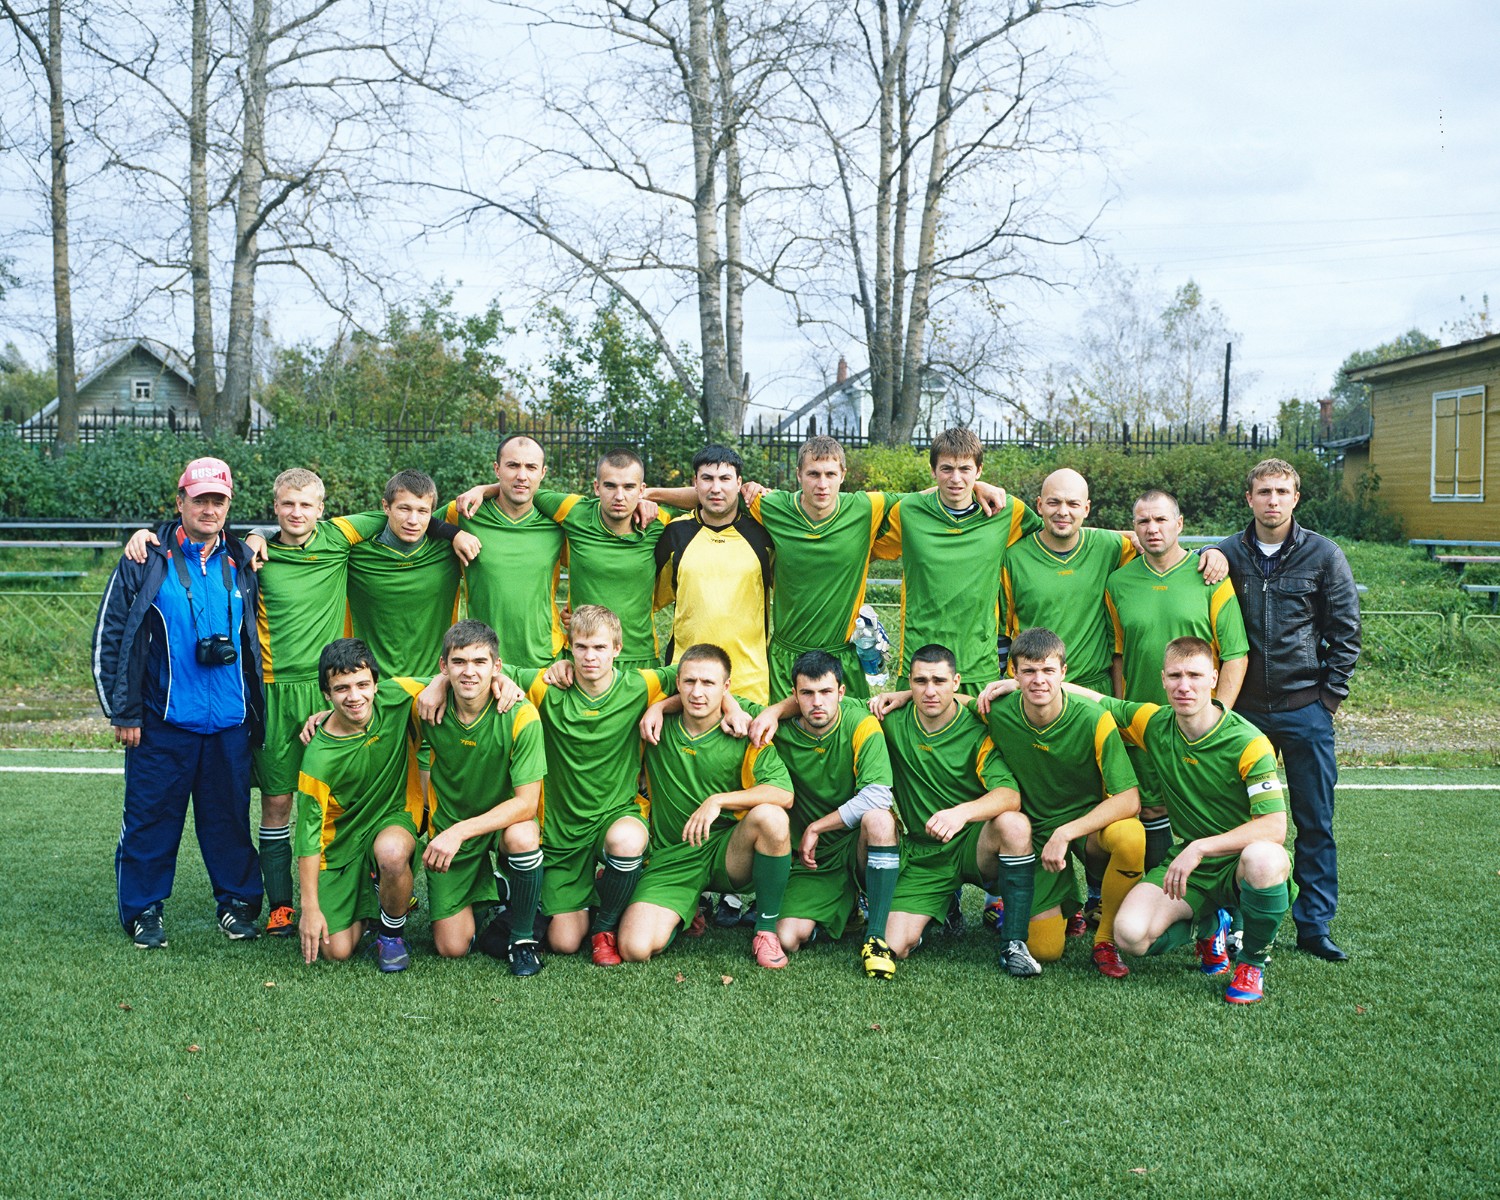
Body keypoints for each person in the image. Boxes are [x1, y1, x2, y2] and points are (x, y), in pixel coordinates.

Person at [121, 469, 477, 937]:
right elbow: (193, 541)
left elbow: (411, 514)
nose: (297, 513)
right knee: (277, 801)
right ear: (274, 507)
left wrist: (455, 530)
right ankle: (282, 905)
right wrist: (154, 534)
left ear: (322, 508)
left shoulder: (340, 536)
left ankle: (371, 890)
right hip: (271, 691)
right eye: (288, 505)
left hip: (331, 689)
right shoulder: (246, 555)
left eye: (307, 505)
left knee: (352, 793)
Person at [422, 605, 676, 966]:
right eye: (582, 647)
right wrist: (438, 682)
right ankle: (558, 892)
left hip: (614, 815)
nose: (590, 656)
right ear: (568, 648)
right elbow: (477, 670)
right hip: (561, 832)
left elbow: (699, 676)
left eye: (600, 648)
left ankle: (604, 925)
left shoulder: (640, 685)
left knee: (628, 841)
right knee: (564, 942)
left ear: (617, 649)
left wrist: (663, 706)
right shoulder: (546, 684)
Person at [93, 456, 267, 949]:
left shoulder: (242, 559)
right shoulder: (146, 559)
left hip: (228, 723)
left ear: (229, 505)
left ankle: (236, 905)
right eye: (200, 499)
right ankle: (143, 911)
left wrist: (259, 536)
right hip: (161, 722)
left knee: (230, 822)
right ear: (180, 502)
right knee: (151, 820)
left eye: (219, 500)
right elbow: (110, 638)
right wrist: (123, 711)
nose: (209, 509)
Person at [1076, 637, 1294, 1005]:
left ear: (1213, 677)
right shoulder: (1156, 724)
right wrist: (1024, 682)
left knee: (1266, 859)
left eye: (1194, 675)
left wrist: (1200, 847)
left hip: (1236, 863)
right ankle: (1209, 925)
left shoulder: (1250, 742)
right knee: (1129, 936)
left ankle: (1250, 963)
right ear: (1163, 679)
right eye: (1175, 675)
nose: (1184, 685)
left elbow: (1274, 827)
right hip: (1192, 867)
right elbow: (1098, 701)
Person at [1217, 459, 1361, 962]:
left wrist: (1328, 700)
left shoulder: (1323, 555)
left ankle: (1314, 926)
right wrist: (1209, 553)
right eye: (1263, 491)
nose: (1272, 500)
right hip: (1245, 714)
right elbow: (1163, 544)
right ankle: (1231, 921)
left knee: (1314, 819)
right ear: (1249, 498)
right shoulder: (1225, 554)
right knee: (1236, 818)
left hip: (1305, 710)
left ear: (1295, 498)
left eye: (1282, 491)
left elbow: (1346, 633)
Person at [971, 627, 1145, 979]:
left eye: (1048, 670)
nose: (1039, 680)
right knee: (1046, 951)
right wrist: (899, 696)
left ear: (1064, 673)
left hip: (1085, 828)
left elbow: (1129, 799)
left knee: (1131, 837)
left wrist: (1066, 833)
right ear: (1014, 674)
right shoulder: (998, 710)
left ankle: (1105, 940)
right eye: (1029, 671)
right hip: (1033, 833)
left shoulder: (1094, 718)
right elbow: (944, 699)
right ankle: (1065, 905)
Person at [619, 643, 795, 968]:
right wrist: (657, 708)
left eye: (709, 683)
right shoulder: (655, 725)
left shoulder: (743, 729)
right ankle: (688, 912)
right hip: (671, 858)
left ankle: (766, 930)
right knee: (634, 948)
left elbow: (784, 794)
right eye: (689, 682)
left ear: (726, 688)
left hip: (726, 853)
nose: (697, 692)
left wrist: (719, 801)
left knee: (772, 818)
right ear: (678, 683)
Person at [1104, 488, 1249, 870]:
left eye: (1161, 519)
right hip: (1145, 722)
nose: (1153, 529)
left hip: (1200, 725)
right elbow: (1118, 655)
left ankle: (1217, 911)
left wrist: (1217, 717)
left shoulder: (1210, 576)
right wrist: (1123, 715)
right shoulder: (1118, 584)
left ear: (1179, 524)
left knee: (1208, 813)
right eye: (1143, 521)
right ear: (1133, 528)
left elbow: (1235, 654)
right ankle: (1157, 896)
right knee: (1150, 810)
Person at [872, 644, 1036, 975]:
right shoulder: (890, 720)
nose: (930, 691)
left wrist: (960, 813)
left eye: (939, 681)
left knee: (1014, 825)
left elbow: (1008, 794)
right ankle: (944, 903)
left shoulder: (977, 727)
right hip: (925, 854)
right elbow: (828, 703)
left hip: (971, 844)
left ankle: (1014, 942)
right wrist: (773, 713)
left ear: (956, 682)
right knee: (894, 945)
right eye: (920, 681)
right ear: (909, 684)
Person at [745, 649, 901, 979]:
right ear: (794, 696)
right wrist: (772, 712)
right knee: (786, 937)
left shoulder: (861, 722)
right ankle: (846, 911)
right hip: (810, 860)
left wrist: (818, 826)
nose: (818, 702)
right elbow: (720, 700)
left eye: (826, 692)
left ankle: (875, 936)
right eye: (807, 693)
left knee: (880, 817)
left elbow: (877, 793)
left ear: (841, 693)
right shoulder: (779, 727)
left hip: (853, 846)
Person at [419, 620, 547, 975]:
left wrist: (459, 832)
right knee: (451, 947)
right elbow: (363, 697)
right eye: (458, 662)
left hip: (496, 824)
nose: (469, 672)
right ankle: (499, 891)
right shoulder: (427, 701)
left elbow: (526, 804)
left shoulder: (521, 714)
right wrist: (325, 715)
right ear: (443, 666)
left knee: (523, 835)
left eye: (480, 662)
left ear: (497, 667)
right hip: (451, 825)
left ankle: (522, 939)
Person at [871, 428, 1042, 690]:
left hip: (977, 664)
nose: (956, 478)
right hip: (919, 664)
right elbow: (864, 548)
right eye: (947, 469)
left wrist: (1126, 535)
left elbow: (1057, 532)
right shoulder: (908, 511)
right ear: (933, 470)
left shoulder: (1006, 512)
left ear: (979, 470)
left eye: (965, 469)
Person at [294, 638, 425, 971]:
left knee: (392, 853)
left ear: (376, 684)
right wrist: (309, 908)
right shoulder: (317, 758)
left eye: (363, 684)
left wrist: (439, 687)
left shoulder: (396, 697)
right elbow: (308, 837)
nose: (355, 696)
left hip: (392, 817)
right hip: (340, 847)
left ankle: (391, 934)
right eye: (342, 689)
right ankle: (381, 892)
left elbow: (453, 678)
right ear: (326, 694)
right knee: (336, 950)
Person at [651, 445, 776, 704]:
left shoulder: (764, 534)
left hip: (749, 681)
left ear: (740, 483)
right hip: (688, 678)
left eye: (725, 479)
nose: (715, 488)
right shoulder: (675, 534)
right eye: (707, 478)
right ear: (695, 483)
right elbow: (646, 599)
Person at [444, 434, 568, 670]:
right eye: (513, 465)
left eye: (531, 467)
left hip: (544, 660)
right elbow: (419, 522)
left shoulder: (557, 523)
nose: (522, 475)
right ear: (497, 469)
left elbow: (594, 560)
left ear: (542, 473)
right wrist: (454, 534)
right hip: (482, 662)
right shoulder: (466, 512)